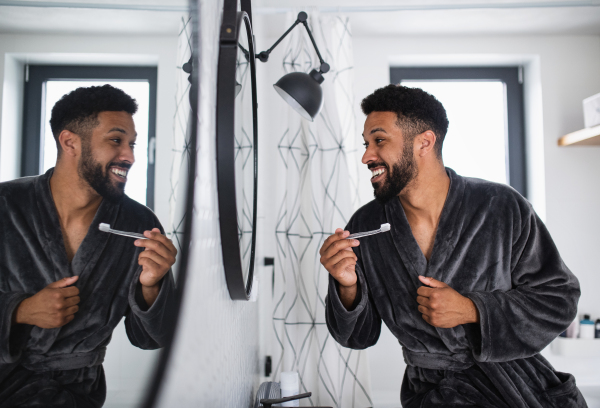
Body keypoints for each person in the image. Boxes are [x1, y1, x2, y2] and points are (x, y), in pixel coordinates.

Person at [321, 84, 586, 407]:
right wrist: (347, 285)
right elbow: (357, 337)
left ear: (424, 142)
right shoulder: (366, 226)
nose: (366, 156)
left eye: (379, 141)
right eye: (366, 144)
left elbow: (559, 299)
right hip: (433, 394)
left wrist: (472, 310)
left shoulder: (500, 206)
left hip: (519, 389)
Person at [0, 85, 177, 407]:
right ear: (70, 142)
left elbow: (152, 337)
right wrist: (20, 311)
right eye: (116, 140)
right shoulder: (6, 205)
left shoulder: (138, 224)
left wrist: (152, 286)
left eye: (132, 144)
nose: (130, 156)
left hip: (77, 393)